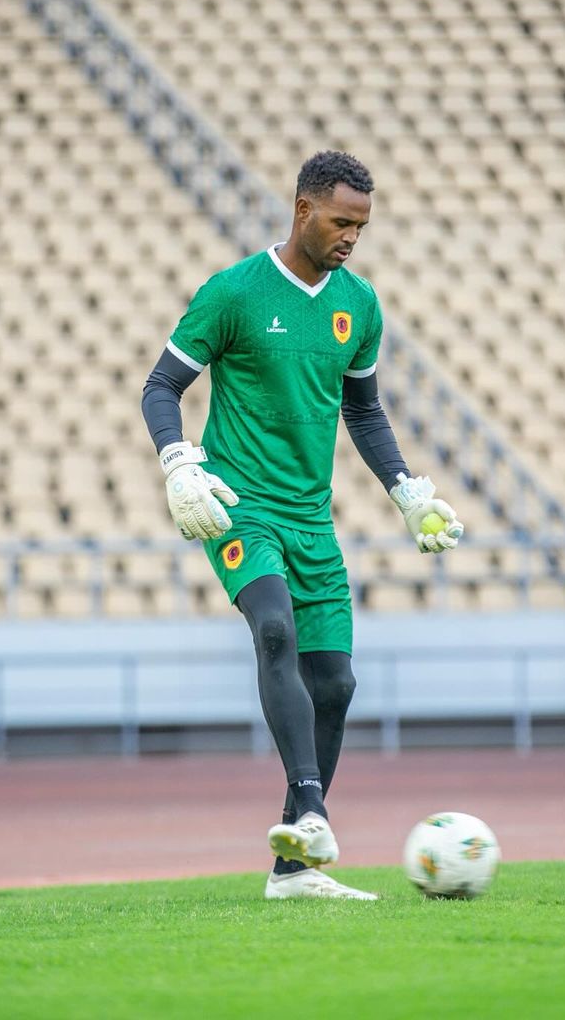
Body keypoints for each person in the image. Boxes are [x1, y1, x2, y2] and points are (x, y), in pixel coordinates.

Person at [141, 150, 463, 900]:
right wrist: (179, 463)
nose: (352, 237)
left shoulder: (360, 305)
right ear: (303, 210)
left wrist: (407, 493)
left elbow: (364, 412)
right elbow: (161, 386)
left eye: (362, 227)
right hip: (240, 503)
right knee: (274, 629)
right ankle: (313, 811)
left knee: (336, 684)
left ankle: (293, 869)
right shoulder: (235, 292)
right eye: (341, 222)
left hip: (312, 517)